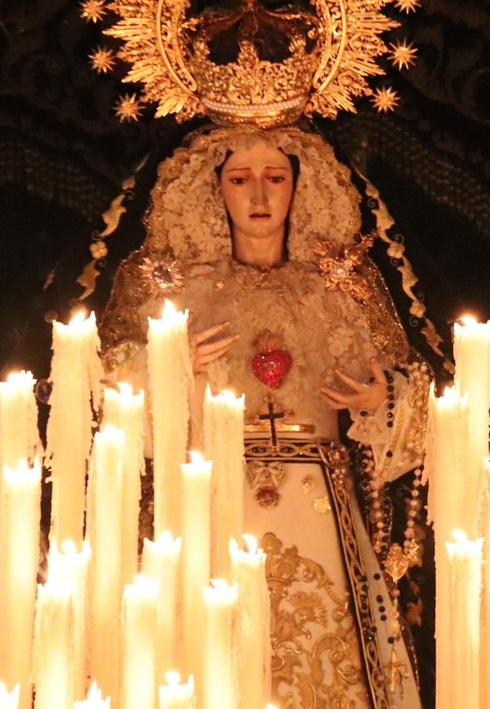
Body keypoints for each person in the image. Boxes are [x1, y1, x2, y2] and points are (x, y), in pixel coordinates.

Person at [101, 122, 432, 709]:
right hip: (211, 505)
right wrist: (163, 368)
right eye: (240, 179)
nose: (258, 197)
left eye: (275, 177)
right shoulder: (165, 288)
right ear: (216, 189)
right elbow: (101, 393)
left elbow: (417, 396)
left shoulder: (345, 287)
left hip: (323, 514)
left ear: (300, 186)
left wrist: (382, 404)